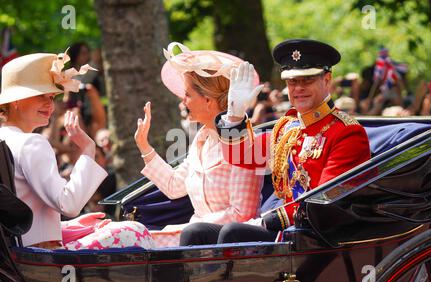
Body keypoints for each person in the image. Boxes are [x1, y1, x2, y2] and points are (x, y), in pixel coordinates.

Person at [180, 39, 371, 245]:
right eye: (292, 81)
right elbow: (240, 156)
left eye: (307, 80)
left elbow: (322, 202)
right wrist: (234, 114)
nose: (298, 88)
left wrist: (267, 221)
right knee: (195, 233)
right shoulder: (288, 127)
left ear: (327, 80)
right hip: (289, 228)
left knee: (233, 234)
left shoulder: (347, 132)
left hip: (318, 233)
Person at [0, 51, 153, 250]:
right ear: (16, 101)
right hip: (38, 259)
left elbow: (24, 212)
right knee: (135, 230)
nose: (50, 104)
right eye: (40, 96)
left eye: (52, 96)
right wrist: (88, 149)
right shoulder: (32, 143)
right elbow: (69, 205)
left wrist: (68, 226)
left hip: (13, 256)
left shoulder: (7, 139)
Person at [134, 42, 264, 247]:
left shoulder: (244, 141)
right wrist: (144, 146)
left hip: (223, 244)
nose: (182, 102)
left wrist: (189, 228)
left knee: (131, 238)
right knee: (123, 232)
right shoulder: (201, 139)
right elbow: (174, 186)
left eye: (187, 95)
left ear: (208, 101)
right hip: (193, 237)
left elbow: (242, 214)